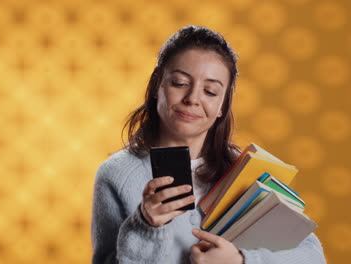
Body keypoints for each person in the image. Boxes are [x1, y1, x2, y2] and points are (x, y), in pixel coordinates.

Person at [91, 25, 326, 264]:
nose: (193, 99)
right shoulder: (117, 175)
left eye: (210, 91)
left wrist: (242, 260)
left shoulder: (246, 168)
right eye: (180, 83)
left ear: (223, 105)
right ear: (157, 87)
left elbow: (313, 257)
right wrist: (145, 225)